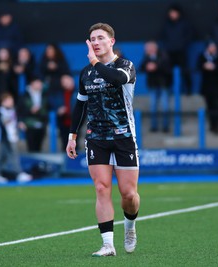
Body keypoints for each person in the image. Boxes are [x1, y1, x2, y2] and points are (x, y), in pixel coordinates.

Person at [66, 23, 140, 257]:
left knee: (128, 195)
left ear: (111, 41)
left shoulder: (125, 66)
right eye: (91, 39)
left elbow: (116, 79)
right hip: (96, 137)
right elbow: (80, 104)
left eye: (100, 38)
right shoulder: (86, 72)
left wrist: (97, 63)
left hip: (123, 137)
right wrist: (72, 135)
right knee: (101, 188)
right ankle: (108, 244)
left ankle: (130, 226)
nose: (95, 42)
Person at [0, 92, 32, 184]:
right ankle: (16, 173)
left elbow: (17, 120)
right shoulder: (0, 111)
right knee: (7, 156)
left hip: (13, 136)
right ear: (3, 102)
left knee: (8, 155)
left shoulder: (13, 110)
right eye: (8, 100)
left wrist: (20, 123)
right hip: (5, 137)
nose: (11, 102)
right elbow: (2, 123)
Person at [140, 40, 172, 133]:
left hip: (163, 84)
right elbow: (141, 67)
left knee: (165, 106)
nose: (146, 50)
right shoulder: (147, 57)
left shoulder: (163, 55)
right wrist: (147, 66)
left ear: (154, 48)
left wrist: (156, 66)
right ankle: (154, 126)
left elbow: (167, 68)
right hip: (153, 85)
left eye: (148, 48)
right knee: (153, 106)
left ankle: (165, 126)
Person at [160, 3, 192, 95]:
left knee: (185, 71)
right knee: (168, 72)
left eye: (174, 13)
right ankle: (169, 90)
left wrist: (182, 45)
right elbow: (163, 37)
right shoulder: (166, 24)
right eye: (171, 13)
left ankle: (188, 91)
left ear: (178, 13)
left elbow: (189, 35)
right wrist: (167, 46)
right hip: (170, 52)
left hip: (181, 52)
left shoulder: (184, 23)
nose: (172, 15)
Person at [197, 41, 218, 135]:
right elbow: (198, 67)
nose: (212, 49)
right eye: (211, 47)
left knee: (216, 106)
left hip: (217, 86)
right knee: (209, 106)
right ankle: (212, 125)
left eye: (214, 47)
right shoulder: (202, 56)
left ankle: (217, 126)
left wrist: (215, 67)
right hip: (206, 86)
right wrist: (204, 66)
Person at [17, 76, 48, 153]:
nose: (40, 84)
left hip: (41, 123)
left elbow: (48, 107)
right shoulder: (24, 95)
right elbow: (20, 110)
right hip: (29, 124)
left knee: (39, 146)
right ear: (32, 83)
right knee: (31, 147)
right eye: (37, 82)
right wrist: (29, 112)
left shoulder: (44, 94)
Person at [57, 74, 75, 150]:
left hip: (75, 122)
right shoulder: (60, 93)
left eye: (66, 81)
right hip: (64, 122)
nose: (65, 83)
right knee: (65, 143)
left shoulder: (79, 91)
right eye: (63, 82)